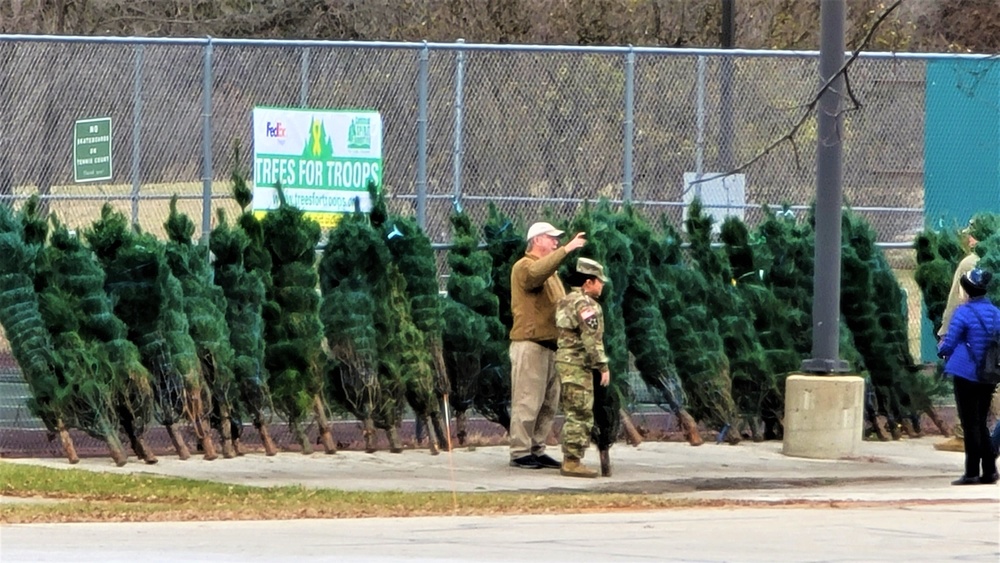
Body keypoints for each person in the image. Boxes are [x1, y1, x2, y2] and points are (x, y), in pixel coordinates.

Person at [508, 221, 587, 469]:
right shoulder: (524, 266)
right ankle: (520, 451)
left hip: (551, 346)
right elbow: (535, 275)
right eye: (551, 238)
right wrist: (567, 250)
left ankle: (537, 448)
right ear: (536, 240)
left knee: (547, 403)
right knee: (527, 400)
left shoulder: (551, 273)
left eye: (557, 239)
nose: (555, 242)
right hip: (530, 343)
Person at [937, 268, 1000, 485]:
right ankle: (990, 470)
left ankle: (972, 472)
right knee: (981, 421)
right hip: (989, 373)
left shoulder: (963, 313)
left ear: (967, 290)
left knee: (970, 423)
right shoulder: (995, 312)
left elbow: (950, 342)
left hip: (965, 372)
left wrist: (942, 351)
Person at [555, 258, 610, 478]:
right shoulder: (586, 305)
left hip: (565, 362)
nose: (602, 285)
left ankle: (571, 457)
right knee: (580, 411)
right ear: (589, 282)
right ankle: (572, 461)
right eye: (599, 281)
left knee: (572, 411)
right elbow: (591, 338)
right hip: (578, 364)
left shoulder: (566, 300)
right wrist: (602, 365)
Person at [934, 218, 983, 452]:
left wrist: (945, 332)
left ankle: (964, 435)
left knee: (967, 382)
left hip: (971, 332)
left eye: (972, 234)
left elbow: (956, 301)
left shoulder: (969, 263)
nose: (968, 239)